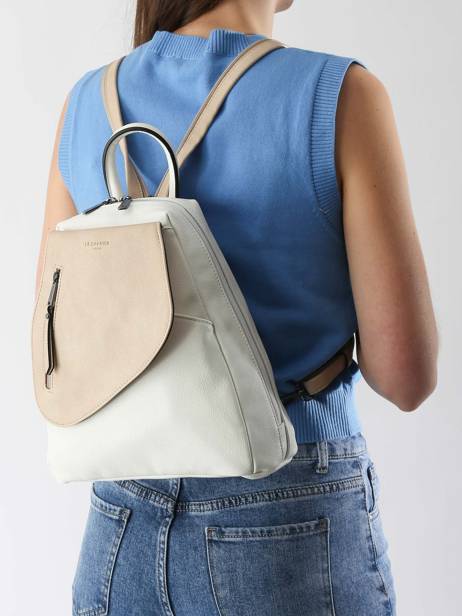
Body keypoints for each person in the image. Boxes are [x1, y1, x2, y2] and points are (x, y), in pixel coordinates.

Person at [35, 1, 438, 614]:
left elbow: (52, 347)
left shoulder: (87, 101)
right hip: (288, 520)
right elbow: (405, 377)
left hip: (120, 522)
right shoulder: (340, 96)